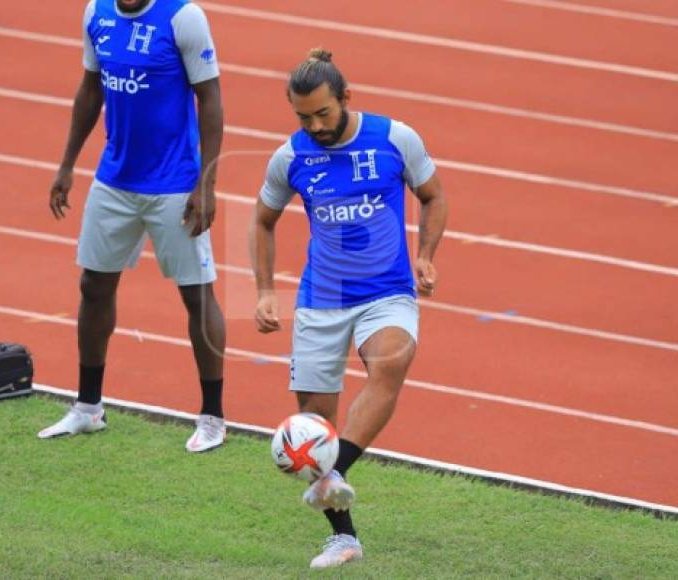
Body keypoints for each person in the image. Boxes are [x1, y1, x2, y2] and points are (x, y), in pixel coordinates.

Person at [251, 49, 448, 569]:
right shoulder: (290, 158)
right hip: (322, 300)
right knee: (315, 422)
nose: (314, 125)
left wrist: (425, 256)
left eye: (323, 113)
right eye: (303, 116)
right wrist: (265, 289)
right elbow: (263, 220)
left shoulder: (394, 138)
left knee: (390, 363)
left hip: (387, 292)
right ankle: (344, 539)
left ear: (346, 98)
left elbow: (433, 195)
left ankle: (332, 475)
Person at [40, 0, 228, 452]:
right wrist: (67, 165)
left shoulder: (184, 17)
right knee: (94, 286)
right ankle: (88, 409)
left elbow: (210, 99)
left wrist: (206, 183)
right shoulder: (96, 14)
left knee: (196, 294)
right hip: (114, 180)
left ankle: (213, 418)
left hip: (174, 185)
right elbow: (91, 89)